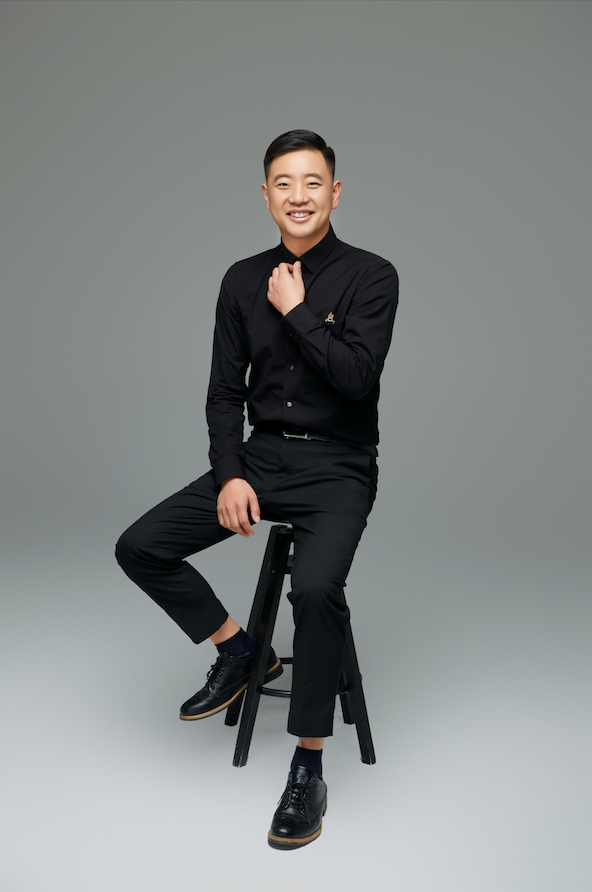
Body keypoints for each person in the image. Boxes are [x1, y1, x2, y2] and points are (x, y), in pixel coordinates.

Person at [116, 130, 398, 849]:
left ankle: (308, 766)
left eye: (313, 182)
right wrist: (232, 471)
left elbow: (357, 379)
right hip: (262, 458)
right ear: (266, 195)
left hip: (339, 467)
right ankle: (242, 650)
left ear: (335, 193)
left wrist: (298, 311)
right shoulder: (241, 279)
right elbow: (223, 392)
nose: (298, 196)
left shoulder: (372, 275)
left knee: (315, 590)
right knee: (140, 546)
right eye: (284, 183)